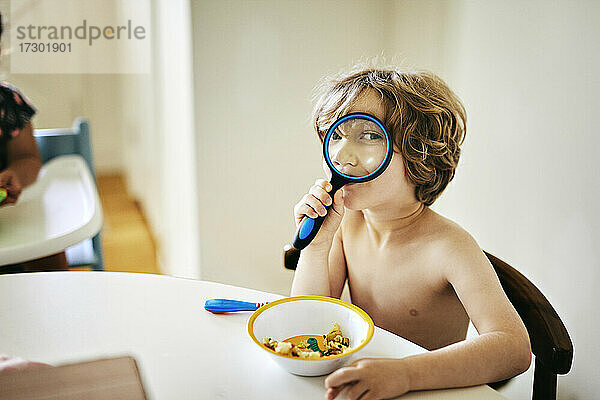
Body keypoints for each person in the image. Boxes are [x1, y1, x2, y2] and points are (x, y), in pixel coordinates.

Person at [290, 66, 531, 400]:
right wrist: (317, 247)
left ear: (420, 155)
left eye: (369, 136)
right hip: (367, 383)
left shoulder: (449, 247)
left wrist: (405, 374)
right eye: (338, 135)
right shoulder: (347, 224)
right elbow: (307, 323)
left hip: (426, 389)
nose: (341, 156)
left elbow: (514, 347)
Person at [0, 11, 68, 273]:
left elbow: (26, 159)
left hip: (9, 222)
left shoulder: (7, 102)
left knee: (48, 248)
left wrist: (13, 175)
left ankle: (57, 309)